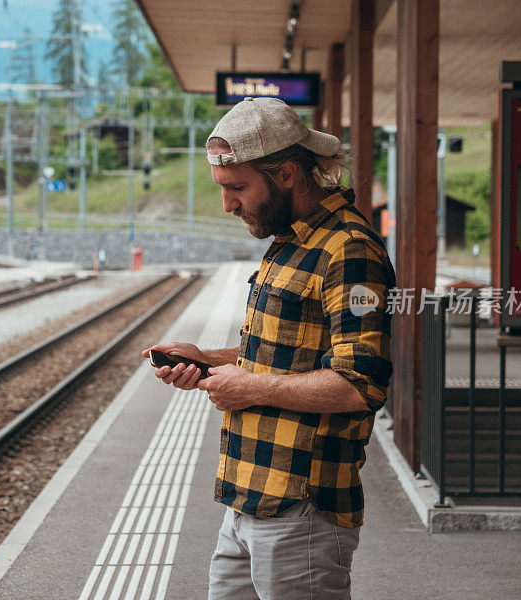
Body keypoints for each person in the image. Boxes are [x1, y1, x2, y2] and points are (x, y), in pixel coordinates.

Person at [142, 96, 395, 599]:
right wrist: (206, 360)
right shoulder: (291, 241)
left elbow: (360, 383)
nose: (227, 204)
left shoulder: (349, 249)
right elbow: (281, 354)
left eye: (237, 188)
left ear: (285, 175)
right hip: (248, 496)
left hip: (303, 505)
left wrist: (248, 387)